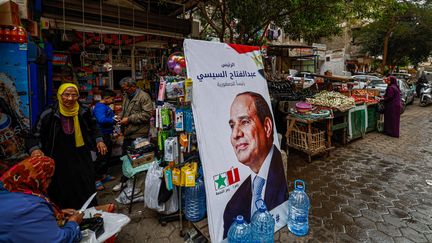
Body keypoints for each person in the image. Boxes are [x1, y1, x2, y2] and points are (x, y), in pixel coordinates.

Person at [27, 83, 108, 209]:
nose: (70, 98)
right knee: (60, 186)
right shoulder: (48, 113)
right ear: (60, 95)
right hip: (57, 156)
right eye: (67, 95)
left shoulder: (84, 111)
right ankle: (62, 214)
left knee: (84, 182)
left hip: (80, 154)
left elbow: (93, 127)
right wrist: (35, 149)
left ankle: (87, 212)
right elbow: (34, 135)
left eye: (74, 95)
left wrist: (99, 140)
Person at [223, 91, 288, 238]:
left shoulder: (282, 179)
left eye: (245, 122)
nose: (235, 134)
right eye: (232, 125)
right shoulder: (233, 206)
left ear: (266, 127)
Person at [0, 156, 83, 242]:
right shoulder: (30, 205)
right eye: (47, 178)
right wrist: (73, 223)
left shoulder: (7, 191)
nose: (50, 182)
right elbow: (59, 240)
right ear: (36, 178)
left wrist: (52, 214)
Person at [118, 77, 153, 151]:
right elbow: (125, 110)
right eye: (123, 89)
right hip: (128, 133)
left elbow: (147, 114)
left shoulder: (144, 96)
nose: (124, 91)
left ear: (133, 87)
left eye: (126, 89)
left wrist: (129, 119)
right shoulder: (126, 96)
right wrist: (120, 116)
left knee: (137, 156)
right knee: (126, 157)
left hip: (139, 134)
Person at [93, 89, 117, 190]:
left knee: (106, 156)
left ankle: (103, 175)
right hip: (101, 136)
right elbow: (101, 120)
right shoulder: (99, 107)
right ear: (106, 98)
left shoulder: (105, 106)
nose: (113, 100)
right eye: (112, 98)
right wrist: (113, 120)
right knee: (102, 157)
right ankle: (96, 180)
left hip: (107, 134)